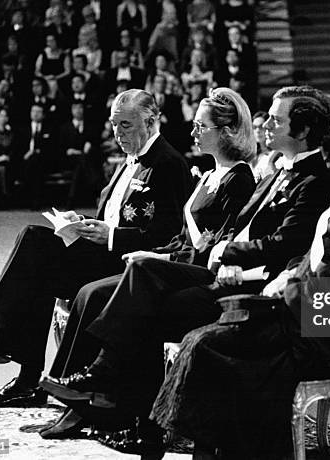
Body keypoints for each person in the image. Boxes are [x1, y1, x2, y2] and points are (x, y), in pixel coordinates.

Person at [149, 81, 330, 459]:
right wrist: (286, 276)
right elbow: (313, 252)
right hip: (308, 310)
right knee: (208, 340)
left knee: (214, 346)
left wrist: (292, 290)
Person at [40, 85, 330, 453]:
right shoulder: (278, 172)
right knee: (141, 281)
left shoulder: (314, 182)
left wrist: (225, 251)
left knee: (146, 290)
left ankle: (121, 399)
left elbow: (286, 245)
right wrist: (210, 250)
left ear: (303, 130)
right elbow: (237, 230)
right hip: (220, 267)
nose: (266, 126)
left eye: (276, 121)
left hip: (250, 286)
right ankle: (128, 411)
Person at [0, 90, 192, 408]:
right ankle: (26, 379)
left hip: (130, 267)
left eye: (126, 125)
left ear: (152, 121)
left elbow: (171, 235)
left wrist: (112, 235)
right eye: (114, 125)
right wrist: (86, 223)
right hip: (102, 253)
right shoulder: (127, 160)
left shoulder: (169, 163)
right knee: (36, 262)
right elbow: (114, 215)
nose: (117, 133)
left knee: (35, 242)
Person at [39, 87, 257, 440]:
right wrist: (161, 254)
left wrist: (159, 256)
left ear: (227, 131)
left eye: (201, 127)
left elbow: (215, 247)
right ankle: (78, 395)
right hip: (179, 265)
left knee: (107, 293)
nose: (193, 133)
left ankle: (96, 394)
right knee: (93, 291)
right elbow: (183, 239)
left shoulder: (240, 178)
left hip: (201, 277)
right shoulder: (212, 174)